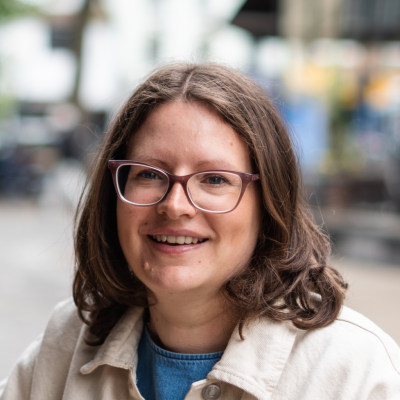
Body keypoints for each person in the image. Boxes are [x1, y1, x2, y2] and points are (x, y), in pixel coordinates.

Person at [1, 63, 399, 400]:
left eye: (214, 179)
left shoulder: (354, 372)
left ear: (269, 203)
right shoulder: (65, 344)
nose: (175, 205)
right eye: (149, 174)